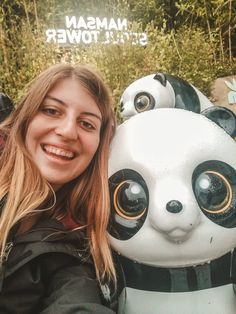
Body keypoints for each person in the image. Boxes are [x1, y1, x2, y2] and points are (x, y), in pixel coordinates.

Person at [0, 63, 117, 313]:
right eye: (52, 110)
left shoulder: (78, 243)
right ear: (25, 118)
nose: (67, 131)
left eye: (87, 124)